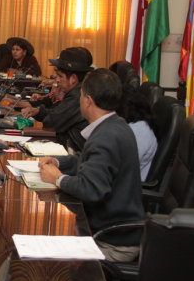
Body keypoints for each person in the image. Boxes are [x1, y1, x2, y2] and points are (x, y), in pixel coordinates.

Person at [39, 68, 145, 262]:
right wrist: (57, 161)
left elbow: (90, 189)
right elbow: (88, 161)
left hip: (110, 240)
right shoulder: (115, 124)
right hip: (114, 229)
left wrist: (58, 179)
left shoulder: (106, 137)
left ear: (88, 100)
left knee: (43, 256)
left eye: (80, 95)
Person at [20, 47, 93, 152]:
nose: (56, 80)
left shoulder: (77, 96)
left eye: (60, 76)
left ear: (73, 78)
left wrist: (40, 111)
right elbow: (57, 112)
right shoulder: (76, 91)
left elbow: (52, 122)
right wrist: (39, 111)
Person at [116, 85, 157, 182]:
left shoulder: (140, 132)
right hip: (123, 181)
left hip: (127, 187)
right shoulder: (134, 126)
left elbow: (122, 166)